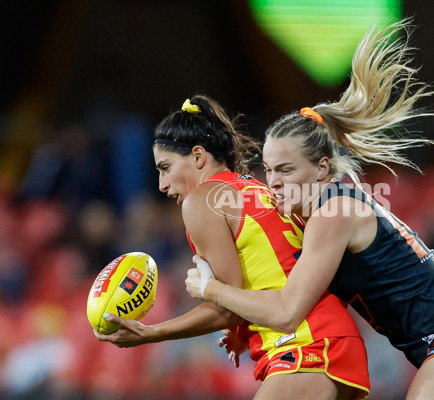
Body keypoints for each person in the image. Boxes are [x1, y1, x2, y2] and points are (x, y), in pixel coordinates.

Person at [186, 21, 434, 400]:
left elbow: (285, 311)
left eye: (286, 169)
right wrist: (239, 328)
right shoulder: (318, 214)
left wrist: (211, 289)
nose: (273, 180)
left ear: (322, 169)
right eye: (269, 169)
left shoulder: (334, 214)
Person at [95, 94, 370, 400]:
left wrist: (150, 333)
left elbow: (224, 308)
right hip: (333, 342)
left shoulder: (202, 201)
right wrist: (244, 331)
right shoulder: (255, 187)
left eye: (166, 167)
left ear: (199, 157)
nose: (162, 184)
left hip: (304, 346)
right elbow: (273, 267)